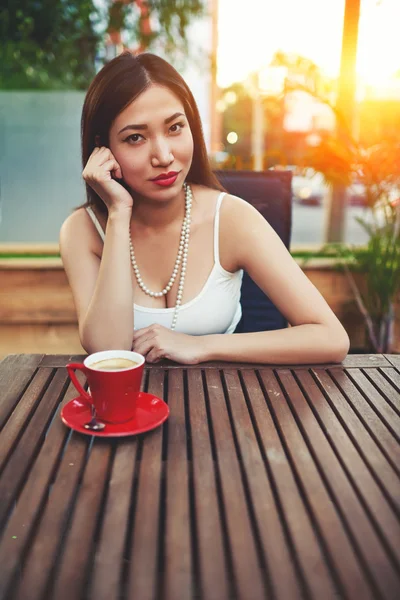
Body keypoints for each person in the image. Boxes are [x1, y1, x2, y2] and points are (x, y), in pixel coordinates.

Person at [59, 51, 350, 365]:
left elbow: (331, 337)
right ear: (104, 148)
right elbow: (107, 352)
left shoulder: (231, 219)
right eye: (135, 138)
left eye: (174, 128)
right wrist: (117, 212)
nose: (163, 155)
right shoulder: (82, 231)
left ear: (192, 127)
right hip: (125, 409)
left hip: (220, 402)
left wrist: (202, 346)